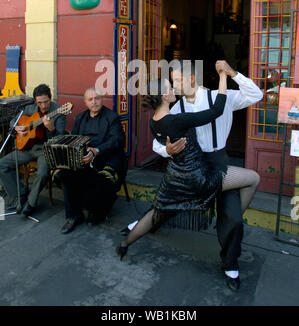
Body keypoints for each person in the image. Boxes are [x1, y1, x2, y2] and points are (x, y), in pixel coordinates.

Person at [122, 59, 263, 290]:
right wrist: (166, 150)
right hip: (191, 165)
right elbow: (160, 139)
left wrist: (232, 73)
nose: (173, 85)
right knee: (168, 199)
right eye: (171, 82)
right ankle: (142, 225)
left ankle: (230, 263)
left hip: (218, 163)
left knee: (234, 218)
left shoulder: (221, 97)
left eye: (176, 80)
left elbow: (255, 94)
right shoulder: (176, 108)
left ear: (191, 79)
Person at [56, 87, 125, 234]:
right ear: (85, 102)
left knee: (102, 181)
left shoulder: (112, 117)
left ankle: (97, 210)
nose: (94, 102)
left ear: (102, 99)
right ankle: (75, 215)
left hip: (107, 160)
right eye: (90, 99)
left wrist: (96, 151)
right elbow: (74, 139)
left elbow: (116, 141)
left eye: (97, 98)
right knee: (64, 173)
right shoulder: (81, 118)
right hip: (85, 160)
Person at [0, 84, 66, 218]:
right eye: (39, 102)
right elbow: (14, 120)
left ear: (50, 98)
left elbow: (59, 139)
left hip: (45, 149)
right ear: (35, 101)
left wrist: (52, 129)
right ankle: (20, 194)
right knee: (2, 164)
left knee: (42, 173)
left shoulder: (59, 112)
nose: (43, 106)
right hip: (27, 147)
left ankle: (31, 203)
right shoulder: (30, 108)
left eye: (46, 102)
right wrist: (17, 127)